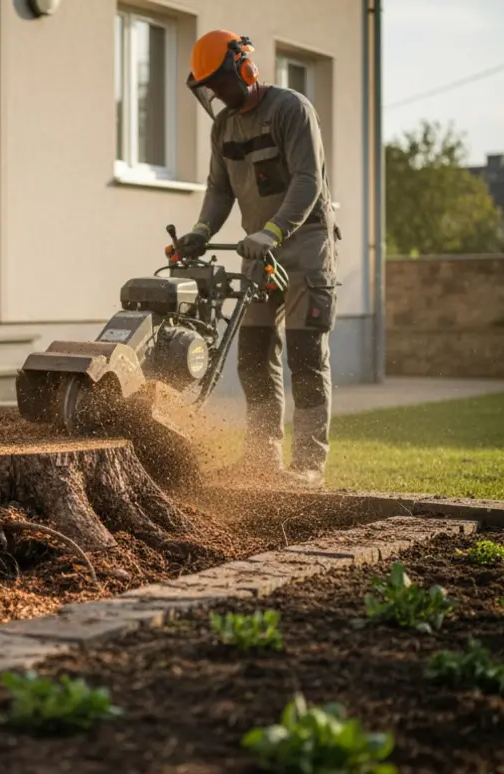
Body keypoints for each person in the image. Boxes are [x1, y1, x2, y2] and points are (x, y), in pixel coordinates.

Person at [172, 30, 339, 488]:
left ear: (244, 68)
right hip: (257, 250)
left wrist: (272, 231)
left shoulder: (291, 110)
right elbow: (220, 188)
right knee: (253, 354)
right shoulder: (223, 127)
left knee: (306, 356)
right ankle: (262, 459)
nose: (219, 94)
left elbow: (308, 181)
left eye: (222, 83)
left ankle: (307, 465)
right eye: (211, 88)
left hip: (305, 244)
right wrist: (201, 232)